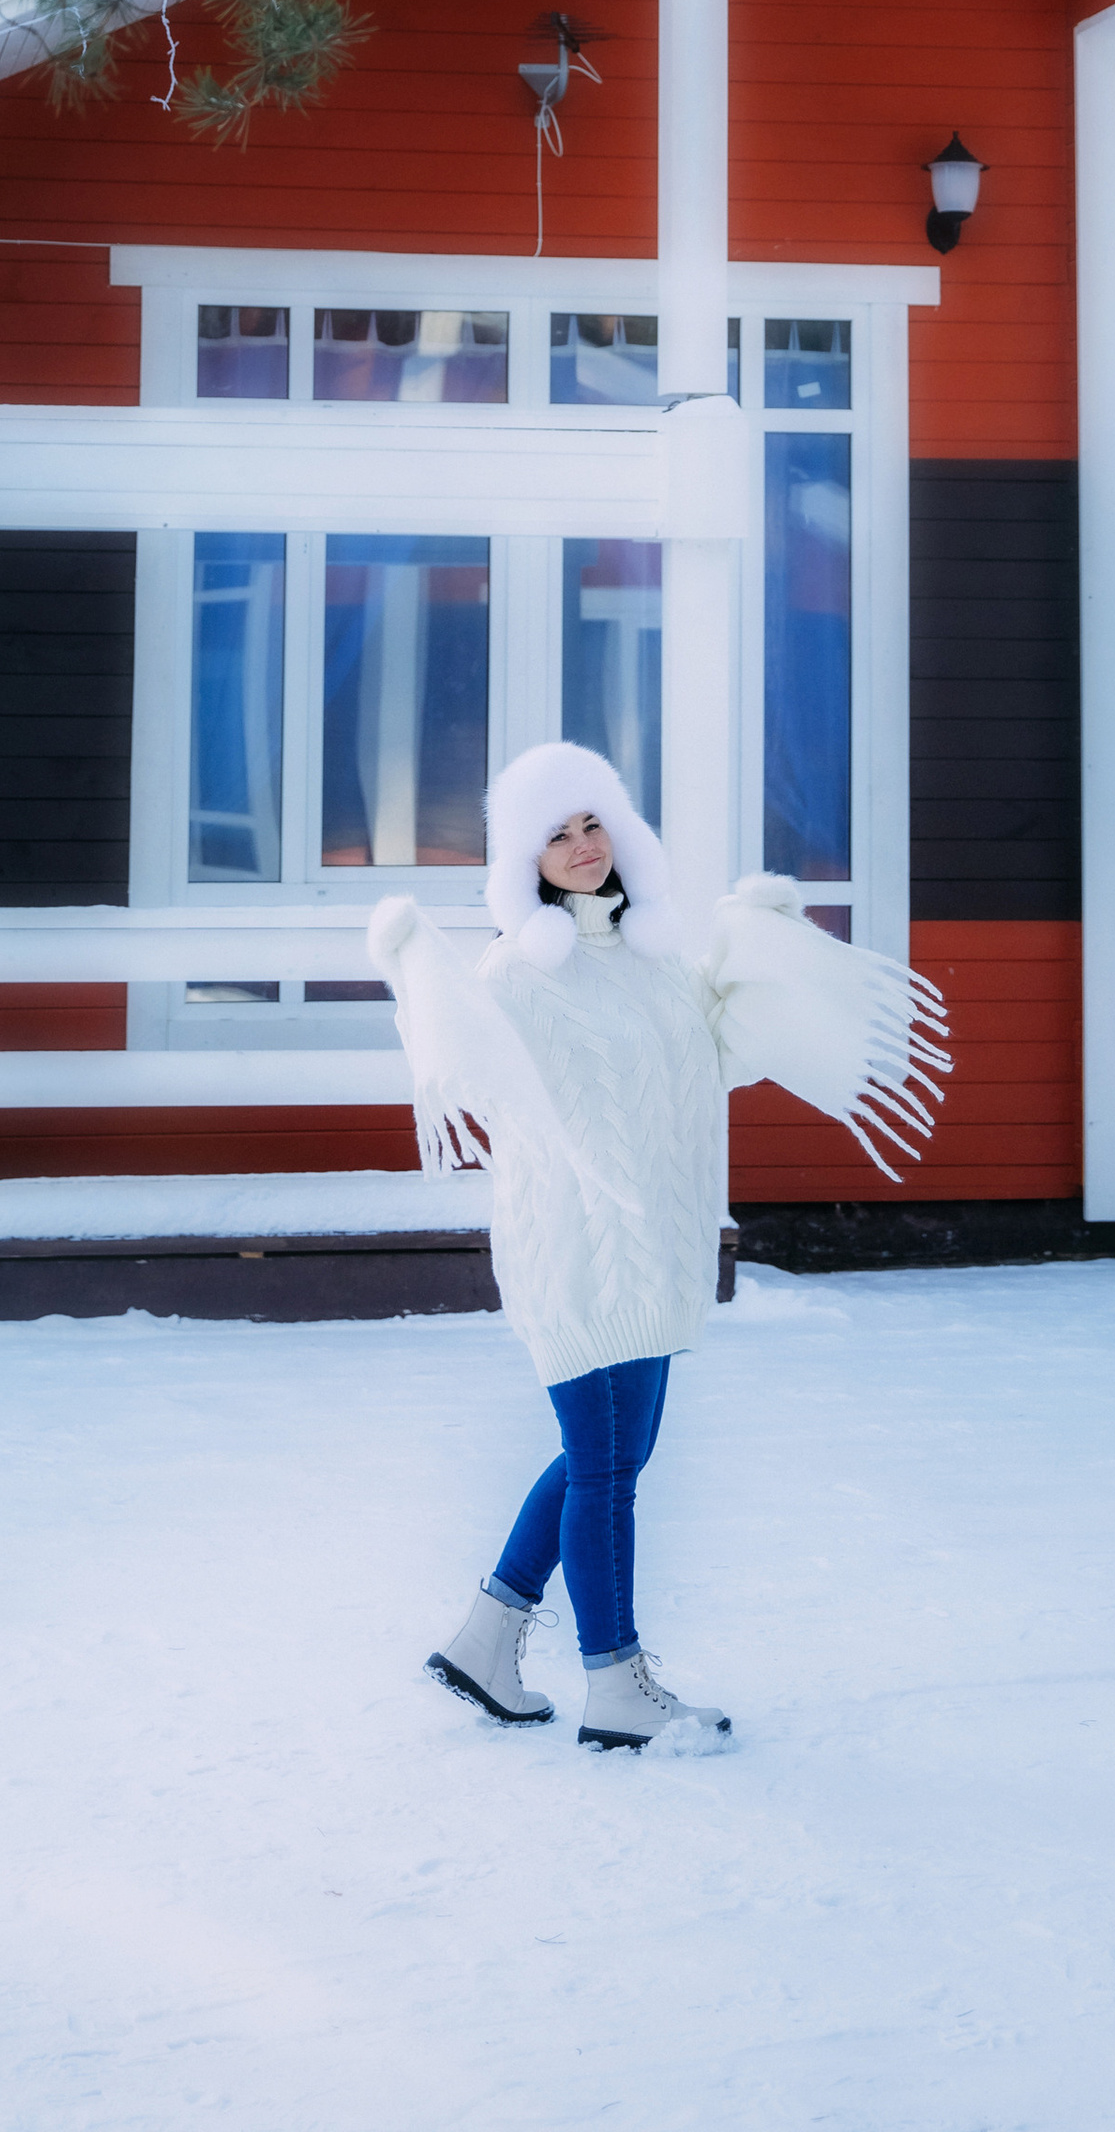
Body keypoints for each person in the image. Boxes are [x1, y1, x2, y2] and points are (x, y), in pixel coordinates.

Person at [368, 738, 946, 1753]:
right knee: (606, 1468)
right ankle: (616, 1682)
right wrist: (411, 965)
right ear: (524, 860)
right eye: (556, 833)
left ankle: (484, 1638)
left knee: (611, 1454)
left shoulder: (653, 959)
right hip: (579, 1251)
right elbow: (474, 1059)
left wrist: (762, 953)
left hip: (659, 1244)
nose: (581, 846)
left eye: (594, 823)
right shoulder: (515, 974)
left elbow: (704, 1062)